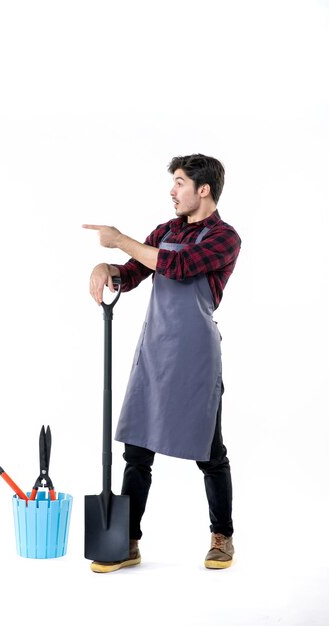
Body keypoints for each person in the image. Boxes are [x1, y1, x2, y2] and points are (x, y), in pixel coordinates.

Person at [83, 153, 241, 573]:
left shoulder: (224, 237)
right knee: (137, 450)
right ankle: (127, 541)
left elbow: (180, 266)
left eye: (179, 182)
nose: (172, 191)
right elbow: (133, 273)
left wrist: (120, 240)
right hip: (155, 350)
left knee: (210, 453)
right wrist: (107, 268)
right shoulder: (165, 230)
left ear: (202, 189)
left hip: (195, 358)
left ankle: (221, 537)